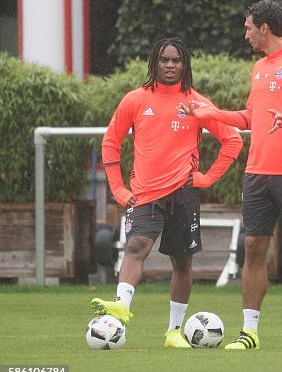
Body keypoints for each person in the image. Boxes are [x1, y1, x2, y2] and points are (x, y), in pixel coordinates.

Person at [182, 0, 282, 350]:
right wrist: (209, 113)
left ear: (264, 28)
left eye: (248, 28)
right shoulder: (259, 68)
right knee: (253, 247)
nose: (245, 34)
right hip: (257, 172)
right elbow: (249, 117)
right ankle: (249, 333)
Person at [90, 37, 243, 348]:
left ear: (184, 64)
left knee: (182, 263)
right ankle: (120, 310)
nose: (170, 65)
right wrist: (118, 188)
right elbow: (110, 142)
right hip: (144, 194)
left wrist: (207, 178)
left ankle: (174, 331)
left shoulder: (196, 104)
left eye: (176, 60)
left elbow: (233, 141)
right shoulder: (134, 100)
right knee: (136, 246)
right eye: (164, 60)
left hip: (183, 194)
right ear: (154, 63)